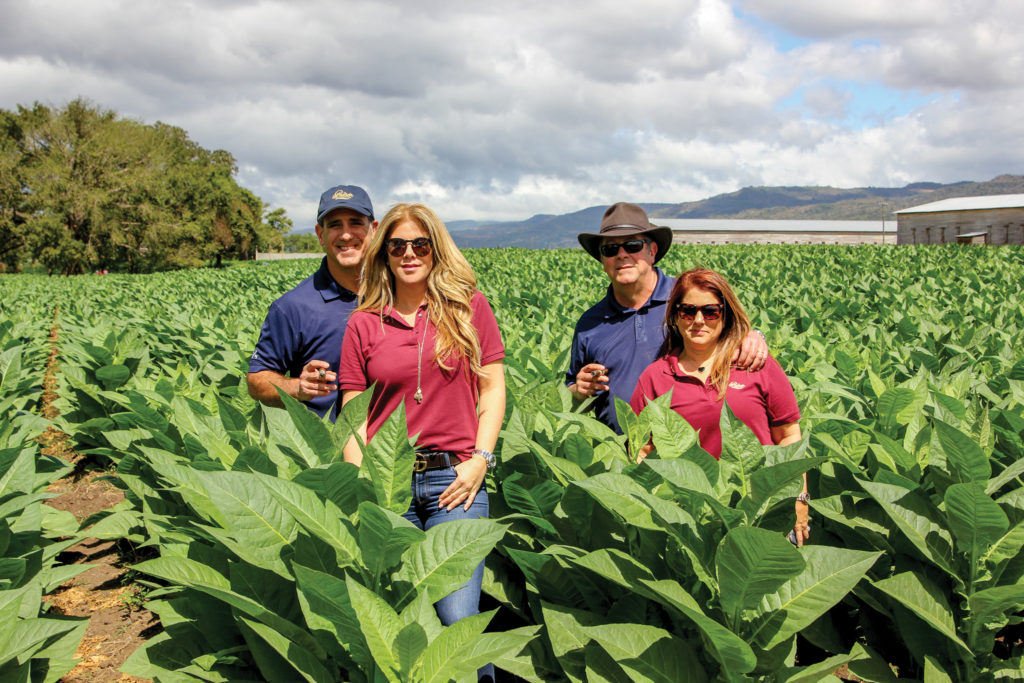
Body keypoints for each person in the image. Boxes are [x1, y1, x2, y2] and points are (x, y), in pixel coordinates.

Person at [339, 203, 504, 678]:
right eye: (397, 246)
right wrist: (360, 487)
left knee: (456, 620)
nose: (409, 253)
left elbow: (493, 387)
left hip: (455, 481)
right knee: (398, 621)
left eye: (420, 244)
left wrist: (481, 460)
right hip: (388, 487)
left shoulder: (469, 308)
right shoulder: (363, 324)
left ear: (435, 248)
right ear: (383, 254)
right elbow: (353, 416)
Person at [629, 268, 809, 546]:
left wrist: (799, 501)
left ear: (726, 314)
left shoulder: (757, 366)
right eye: (688, 311)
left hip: (762, 513)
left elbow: (789, 437)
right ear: (675, 316)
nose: (698, 320)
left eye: (711, 311)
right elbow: (642, 452)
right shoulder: (655, 377)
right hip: (691, 522)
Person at [566, 202, 769, 433]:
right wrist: (579, 391)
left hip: (688, 449)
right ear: (603, 260)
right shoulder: (590, 323)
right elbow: (572, 392)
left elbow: (729, 331)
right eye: (610, 249)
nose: (622, 255)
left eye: (632, 245)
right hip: (622, 455)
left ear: (652, 251)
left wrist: (752, 335)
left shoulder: (687, 300)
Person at [247, 185, 377, 420]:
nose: (346, 234)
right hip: (327, 449)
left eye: (355, 223)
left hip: (393, 449)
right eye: (335, 225)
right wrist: (297, 387)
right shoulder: (293, 307)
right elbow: (256, 381)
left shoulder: (394, 295)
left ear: (373, 229)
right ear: (320, 234)